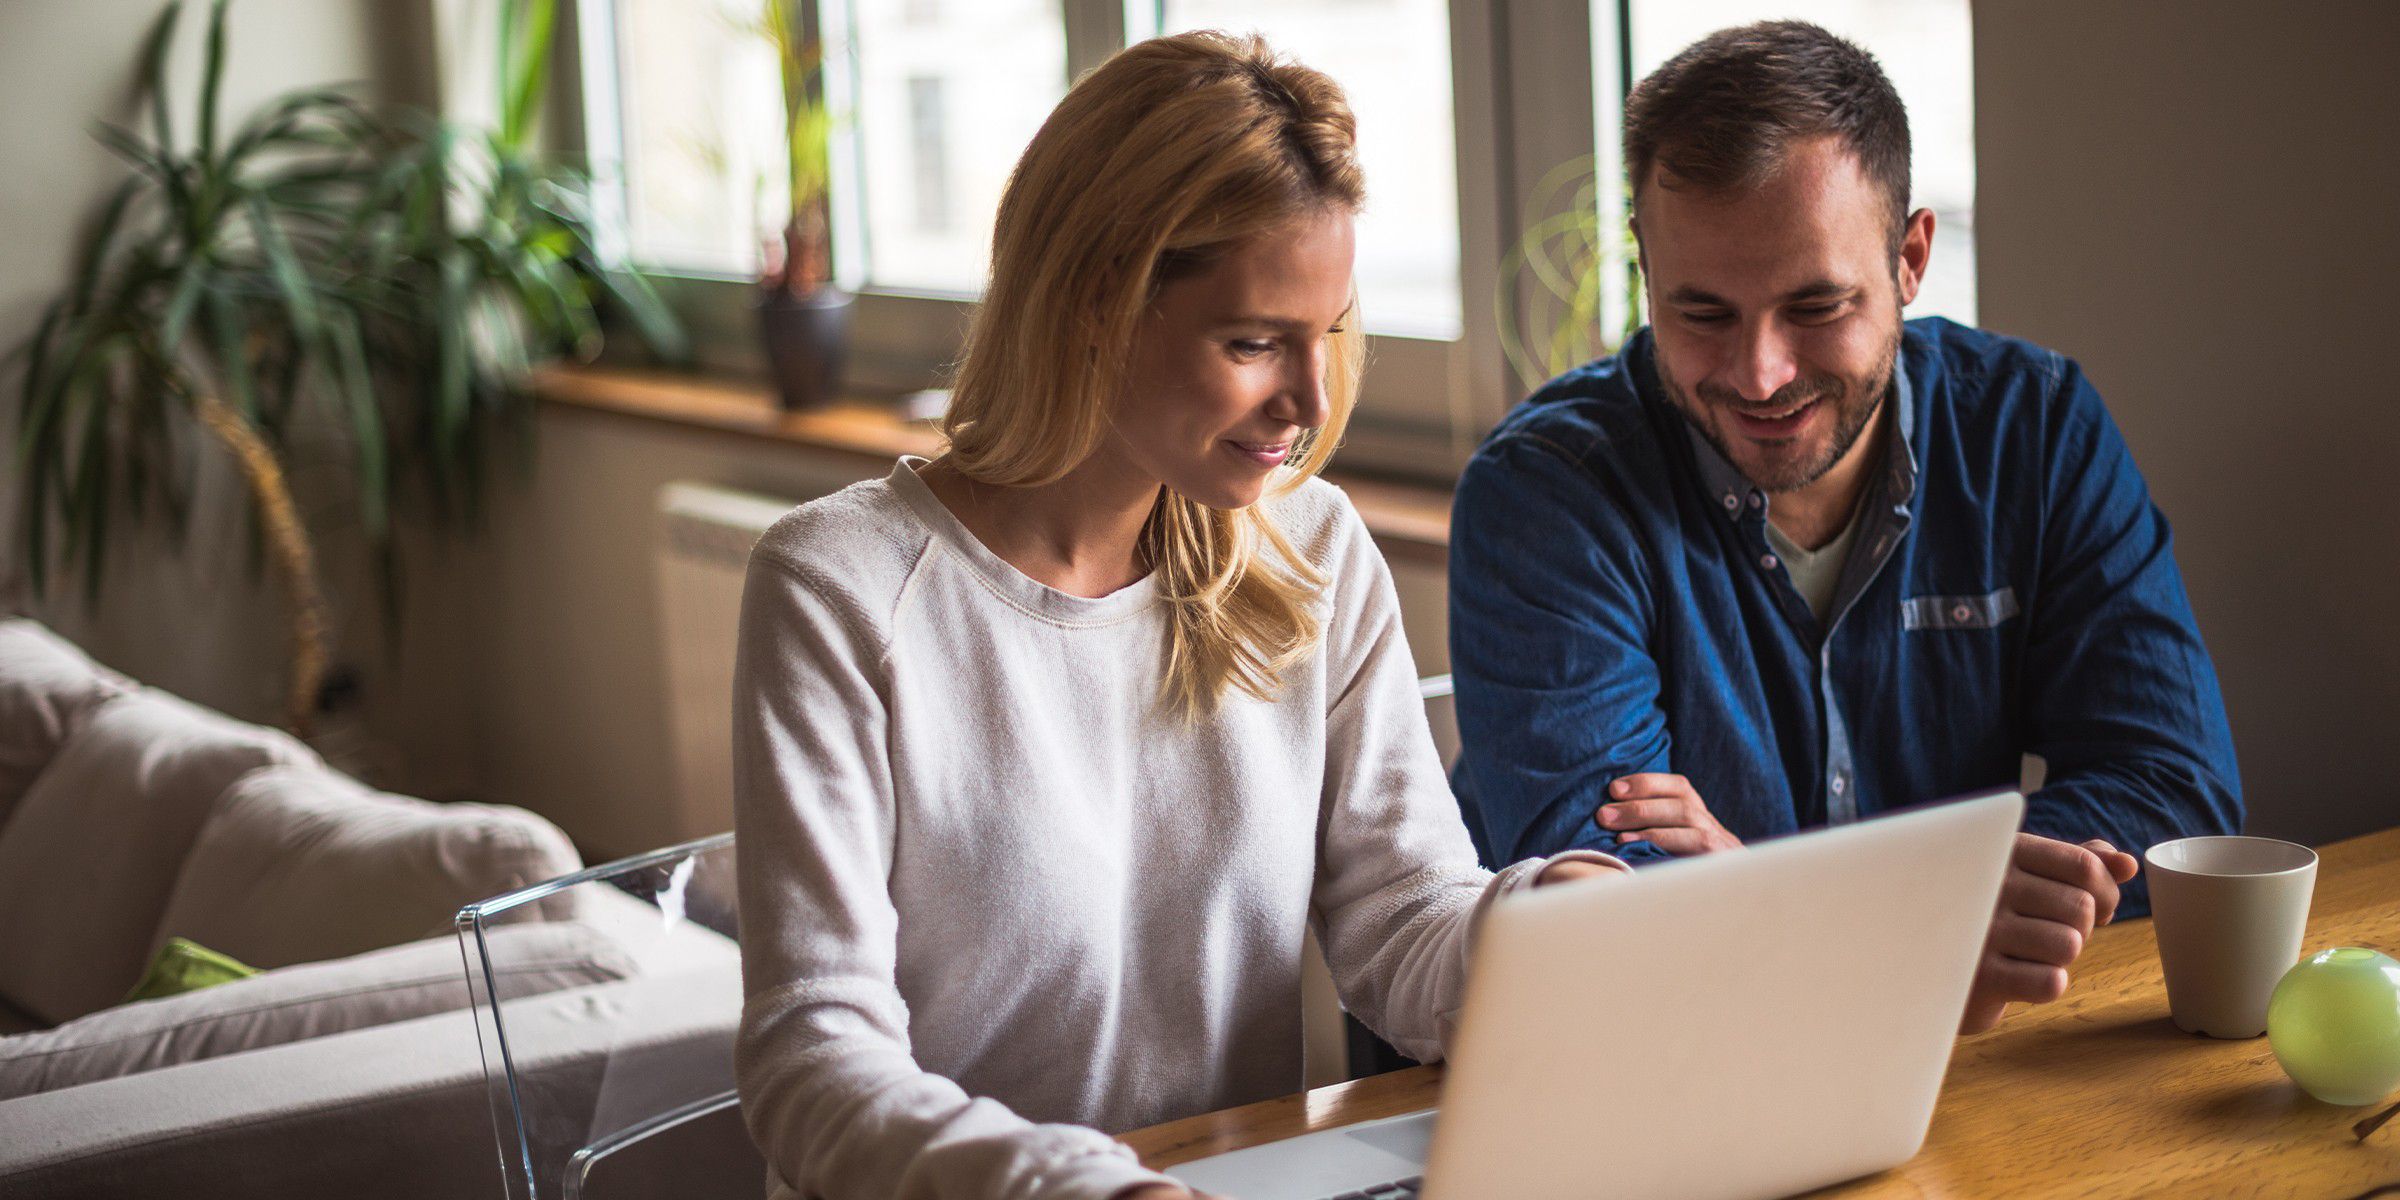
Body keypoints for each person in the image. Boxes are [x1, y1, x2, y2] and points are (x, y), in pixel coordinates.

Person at [731, 32, 1622, 1200]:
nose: (1307, 402)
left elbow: (1402, 920)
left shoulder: (1311, 551)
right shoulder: (839, 587)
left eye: (1330, 334)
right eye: (1255, 342)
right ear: (1096, 306)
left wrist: (1543, 925)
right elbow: (812, 1057)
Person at [1448, 20, 2242, 1034]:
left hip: (1931, 1072)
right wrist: (1929, 909)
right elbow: (1603, 909)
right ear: (1646, 271)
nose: (1760, 373)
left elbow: (2176, 792)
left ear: (1911, 258)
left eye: (1815, 305)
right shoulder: (1548, 493)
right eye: (1702, 314)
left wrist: (1766, 891)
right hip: (1611, 1077)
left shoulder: (2033, 430)